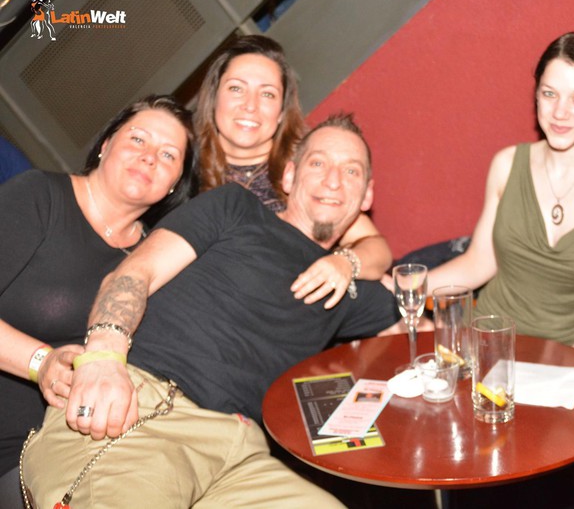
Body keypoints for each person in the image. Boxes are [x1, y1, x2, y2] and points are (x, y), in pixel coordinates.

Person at [22, 114, 399, 508]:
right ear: (289, 176)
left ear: (367, 196)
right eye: (318, 163)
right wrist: (103, 357)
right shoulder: (235, 207)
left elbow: (420, 317)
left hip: (239, 452)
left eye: (351, 171)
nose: (334, 180)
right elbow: (136, 273)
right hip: (144, 406)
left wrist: (352, 263)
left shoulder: (348, 288)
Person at [0, 95, 196, 505]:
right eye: (138, 139)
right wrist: (41, 362)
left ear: (175, 183)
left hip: (50, 457)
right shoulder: (41, 195)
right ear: (106, 144)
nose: (149, 157)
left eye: (168, 154)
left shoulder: (153, 262)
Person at [426, 32, 574, 352]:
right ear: (536, 95)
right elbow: (480, 262)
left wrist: (566, 371)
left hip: (568, 359)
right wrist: (404, 287)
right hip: (483, 347)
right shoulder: (507, 164)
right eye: (550, 94)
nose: (560, 112)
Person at [195, 35, 392, 308]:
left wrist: (346, 263)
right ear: (214, 98)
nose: (250, 105)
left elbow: (377, 249)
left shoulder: (306, 168)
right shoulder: (181, 168)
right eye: (236, 89)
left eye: (267, 94)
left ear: (281, 111)